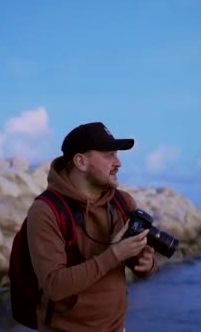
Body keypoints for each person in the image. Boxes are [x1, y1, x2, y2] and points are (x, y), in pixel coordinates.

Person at [26, 122, 158, 332]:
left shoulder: (123, 203)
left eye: (117, 154)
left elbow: (140, 264)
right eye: (109, 155)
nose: (118, 163)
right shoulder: (46, 211)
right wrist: (114, 254)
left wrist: (146, 263)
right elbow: (53, 286)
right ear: (81, 162)